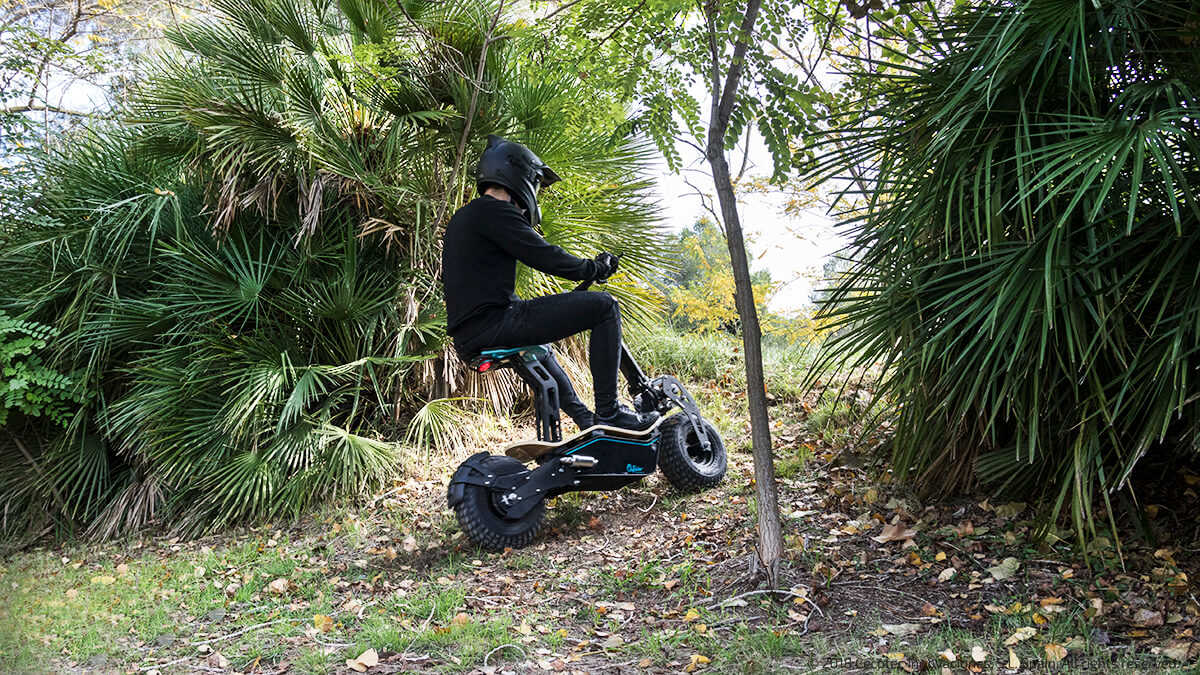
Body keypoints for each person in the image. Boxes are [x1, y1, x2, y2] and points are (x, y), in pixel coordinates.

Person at [442, 135, 658, 431]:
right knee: (605, 307)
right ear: (519, 177)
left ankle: (584, 419)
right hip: (495, 323)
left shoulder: (465, 217)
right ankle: (609, 412)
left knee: (540, 348)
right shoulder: (495, 211)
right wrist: (593, 268)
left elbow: (481, 286)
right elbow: (545, 256)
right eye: (536, 186)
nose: (536, 195)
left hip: (472, 334)